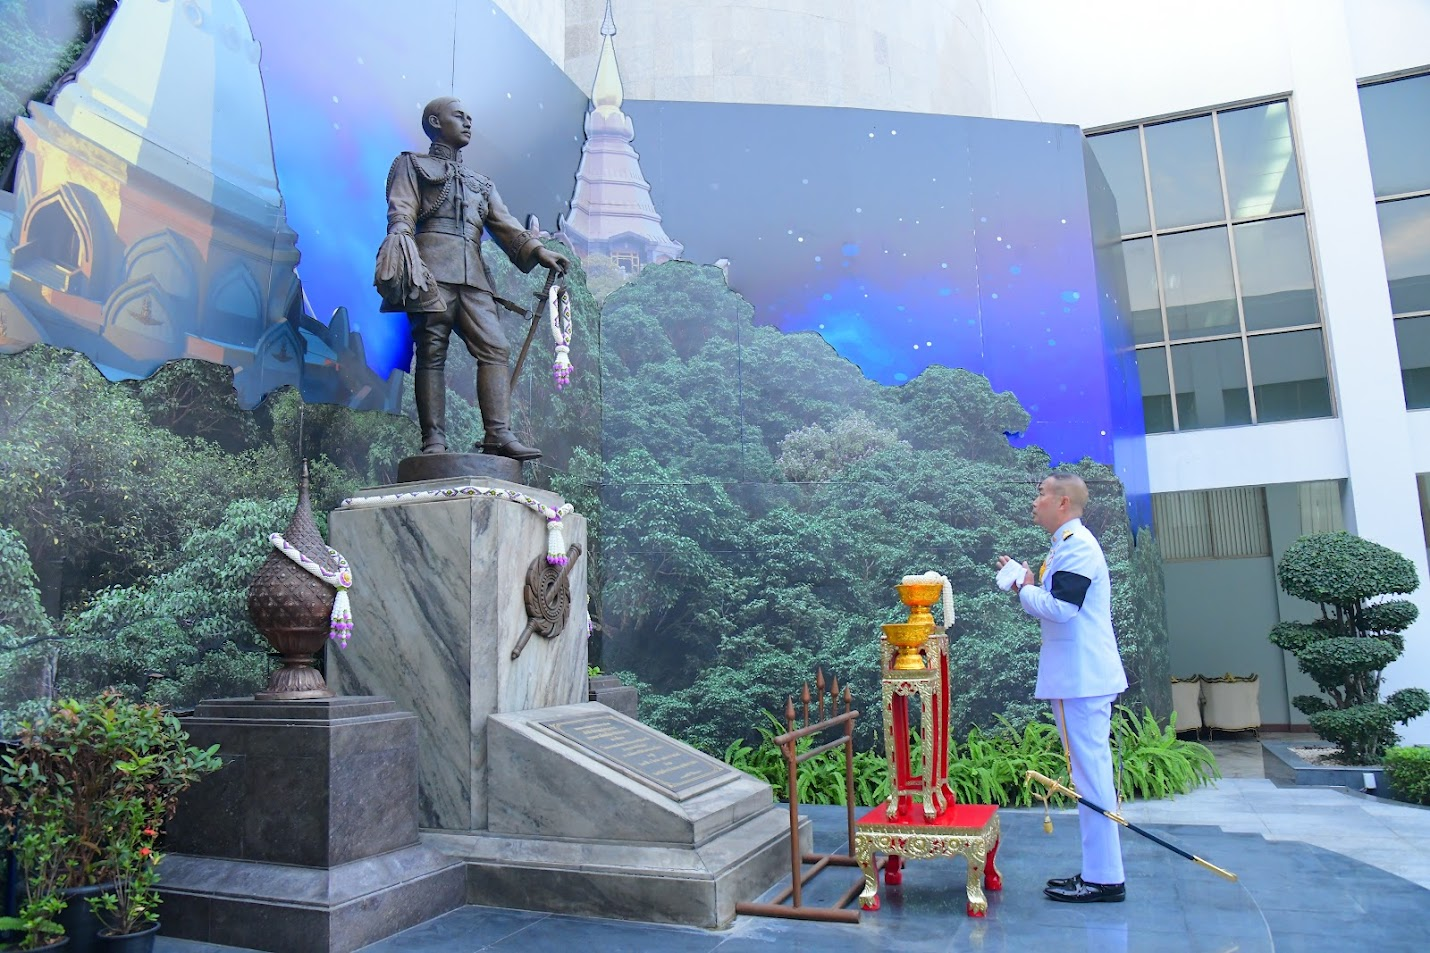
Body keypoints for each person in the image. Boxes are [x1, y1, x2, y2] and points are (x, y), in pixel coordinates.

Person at [375, 96, 568, 459]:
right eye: (459, 116)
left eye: (470, 118)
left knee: (496, 347)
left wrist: (539, 251)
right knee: (432, 352)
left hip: (475, 277)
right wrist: (400, 244)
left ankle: (498, 434)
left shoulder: (482, 183)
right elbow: (401, 211)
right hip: (430, 273)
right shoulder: (411, 164)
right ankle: (434, 441)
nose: (467, 123)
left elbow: (506, 226)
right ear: (435, 122)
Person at [996, 473, 1127, 903]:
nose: (1035, 502)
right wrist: (1028, 582)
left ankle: (1105, 878)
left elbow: (1061, 608)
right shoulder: (1065, 545)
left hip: (1083, 679)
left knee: (1091, 777)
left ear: (1063, 502)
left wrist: (1024, 587)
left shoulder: (1078, 546)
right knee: (1088, 774)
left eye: (1041, 494)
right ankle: (1099, 872)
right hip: (1078, 679)